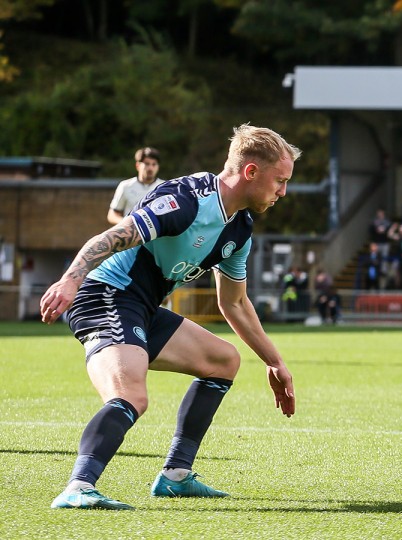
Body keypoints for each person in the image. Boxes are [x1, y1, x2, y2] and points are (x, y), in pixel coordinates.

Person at [41, 124, 299, 510]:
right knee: (130, 394)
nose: (282, 192)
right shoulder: (188, 200)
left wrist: (274, 362)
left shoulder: (239, 228)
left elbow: (236, 303)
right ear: (251, 172)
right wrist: (70, 281)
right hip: (104, 294)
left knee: (223, 360)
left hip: (144, 307)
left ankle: (176, 476)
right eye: (279, 181)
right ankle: (78, 486)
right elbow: (112, 237)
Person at [107, 147, 164, 224]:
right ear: (138, 166)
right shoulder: (125, 186)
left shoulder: (164, 187)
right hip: (131, 234)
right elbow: (112, 215)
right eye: (147, 164)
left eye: (154, 164)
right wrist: (128, 224)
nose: (150, 168)